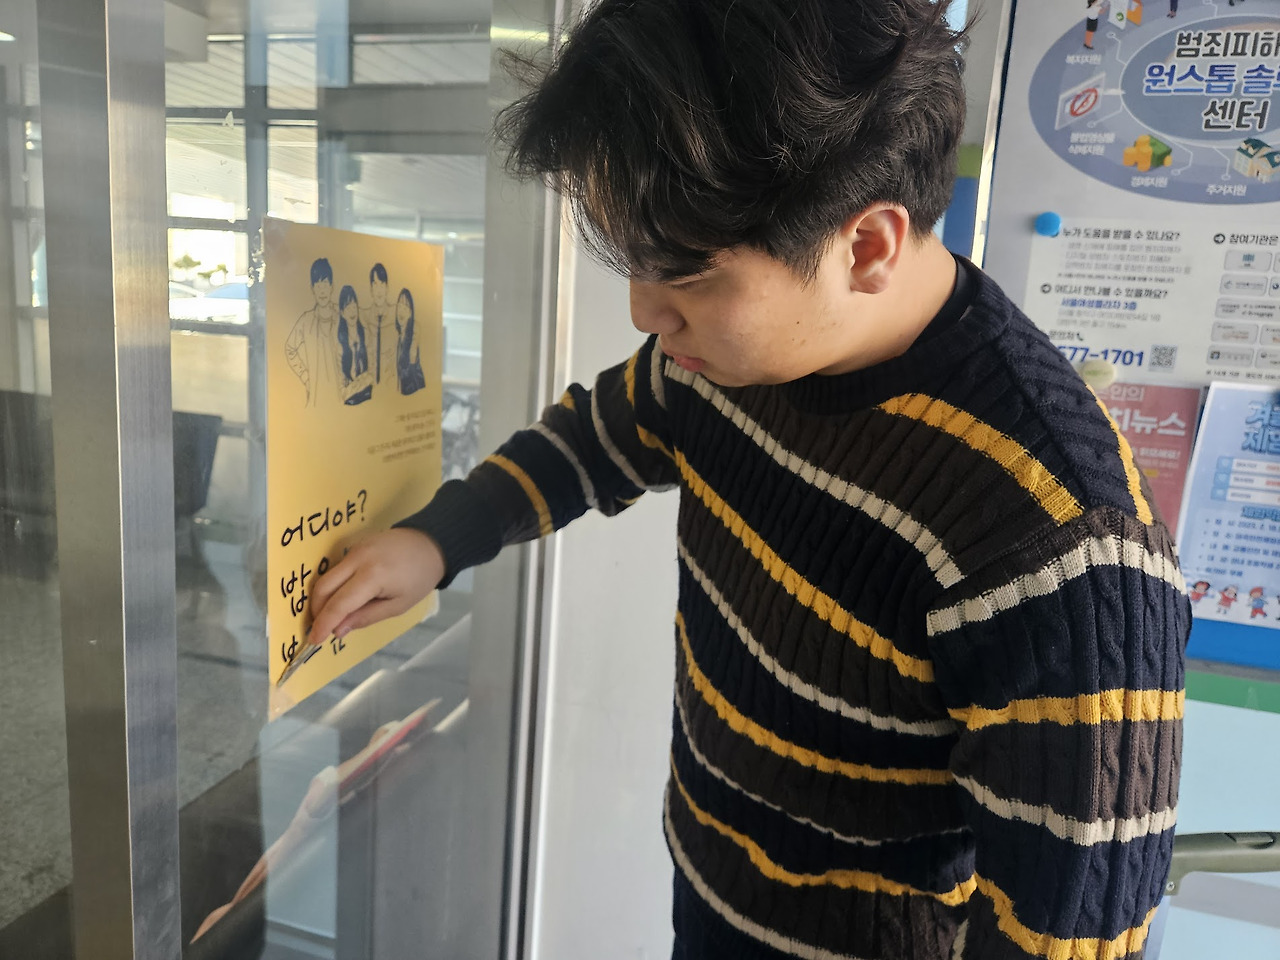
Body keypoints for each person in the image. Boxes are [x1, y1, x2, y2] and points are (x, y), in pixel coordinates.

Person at [309, 1, 1189, 958]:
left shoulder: (1062, 546)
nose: (647, 315)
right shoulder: (724, 362)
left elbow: (1072, 934)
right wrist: (439, 539)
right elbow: (603, 435)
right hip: (707, 888)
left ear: (867, 245)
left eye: (687, 278)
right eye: (636, 265)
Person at [284, 257, 342, 408]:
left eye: (325, 284)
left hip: (341, 398)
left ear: (332, 287)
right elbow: (290, 348)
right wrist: (306, 377)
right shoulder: (306, 320)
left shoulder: (341, 316)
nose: (322, 290)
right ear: (312, 289)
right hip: (316, 399)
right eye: (318, 285)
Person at [337, 284, 373, 406]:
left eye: (354, 307)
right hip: (351, 400)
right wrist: (361, 383)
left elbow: (372, 372)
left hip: (369, 396)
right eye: (348, 308)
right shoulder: (340, 345)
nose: (352, 312)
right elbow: (342, 390)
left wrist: (359, 384)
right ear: (342, 313)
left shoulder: (365, 334)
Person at [364, 263, 398, 389]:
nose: (379, 290)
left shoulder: (396, 316)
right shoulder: (364, 317)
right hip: (368, 389)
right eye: (375, 284)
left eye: (382, 284)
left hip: (392, 388)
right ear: (371, 289)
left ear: (387, 288)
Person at [393, 288, 426, 396]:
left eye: (405, 308)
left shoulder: (413, 332)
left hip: (414, 389)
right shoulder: (399, 337)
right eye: (399, 307)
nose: (401, 311)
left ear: (410, 313)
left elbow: (412, 357)